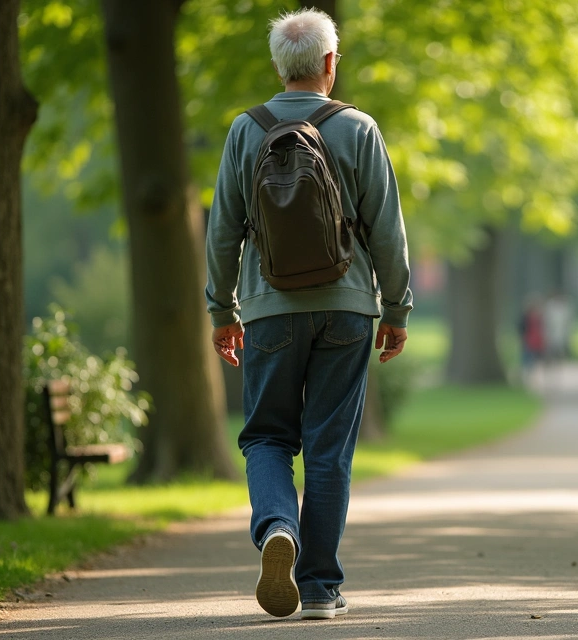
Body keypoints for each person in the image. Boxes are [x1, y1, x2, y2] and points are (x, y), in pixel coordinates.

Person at [204, 8, 413, 621]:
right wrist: (396, 307)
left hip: (267, 312)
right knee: (328, 449)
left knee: (267, 436)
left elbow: (222, 234)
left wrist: (222, 311)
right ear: (329, 63)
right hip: (347, 311)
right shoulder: (359, 129)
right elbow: (388, 232)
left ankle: (277, 528)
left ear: (278, 65)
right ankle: (320, 588)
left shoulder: (246, 130)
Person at [518, 297, 546, 388]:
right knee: (527, 361)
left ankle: (532, 379)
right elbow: (521, 329)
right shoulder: (525, 318)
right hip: (528, 341)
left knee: (535, 361)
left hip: (537, 342)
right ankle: (526, 378)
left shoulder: (540, 319)